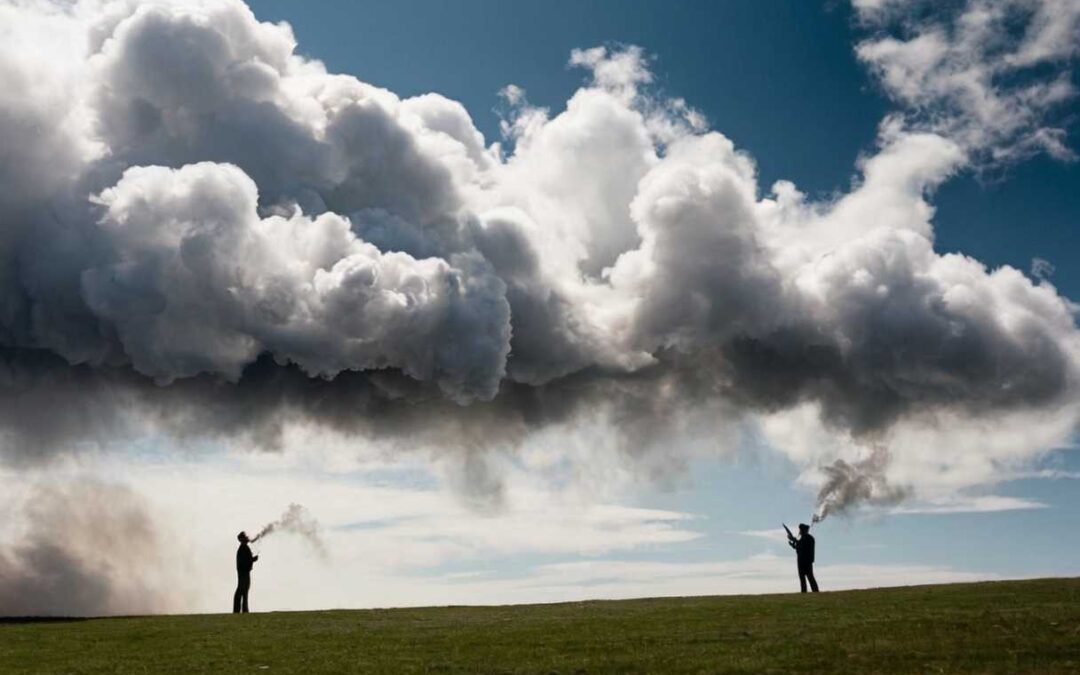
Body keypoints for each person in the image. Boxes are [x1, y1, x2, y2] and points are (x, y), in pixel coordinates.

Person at [787, 523, 819, 593]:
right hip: (804, 561)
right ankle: (811, 592)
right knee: (807, 578)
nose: (800, 531)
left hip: (804, 561)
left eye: (801, 530)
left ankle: (810, 592)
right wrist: (793, 544)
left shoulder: (807, 538)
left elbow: (802, 547)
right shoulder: (808, 538)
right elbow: (799, 547)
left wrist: (793, 539)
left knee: (808, 578)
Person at [233, 531, 259, 613]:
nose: (247, 537)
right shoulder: (243, 548)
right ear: (242, 539)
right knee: (242, 590)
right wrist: (253, 559)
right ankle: (242, 610)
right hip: (244, 573)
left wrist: (252, 560)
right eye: (245, 537)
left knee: (243, 591)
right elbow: (245, 561)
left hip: (244, 572)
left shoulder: (243, 548)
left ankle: (242, 610)